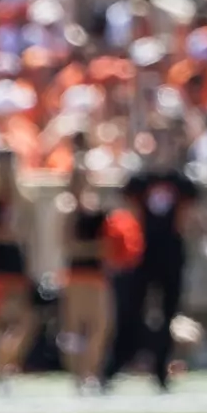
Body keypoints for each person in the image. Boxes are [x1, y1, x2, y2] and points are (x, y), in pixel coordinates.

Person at [107, 128, 200, 391]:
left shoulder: (182, 182)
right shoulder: (139, 181)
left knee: (168, 313)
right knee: (131, 310)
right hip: (140, 255)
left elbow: (189, 217)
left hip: (170, 253)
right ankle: (117, 364)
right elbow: (126, 216)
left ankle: (161, 369)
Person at [60, 161, 142, 393]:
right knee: (76, 328)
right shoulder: (67, 207)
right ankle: (78, 376)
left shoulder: (97, 206)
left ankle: (91, 372)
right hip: (77, 273)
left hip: (97, 273)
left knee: (102, 326)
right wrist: (100, 248)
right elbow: (68, 246)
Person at [0, 149, 33, 391]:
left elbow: (25, 229)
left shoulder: (21, 196)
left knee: (22, 318)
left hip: (14, 256)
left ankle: (6, 360)